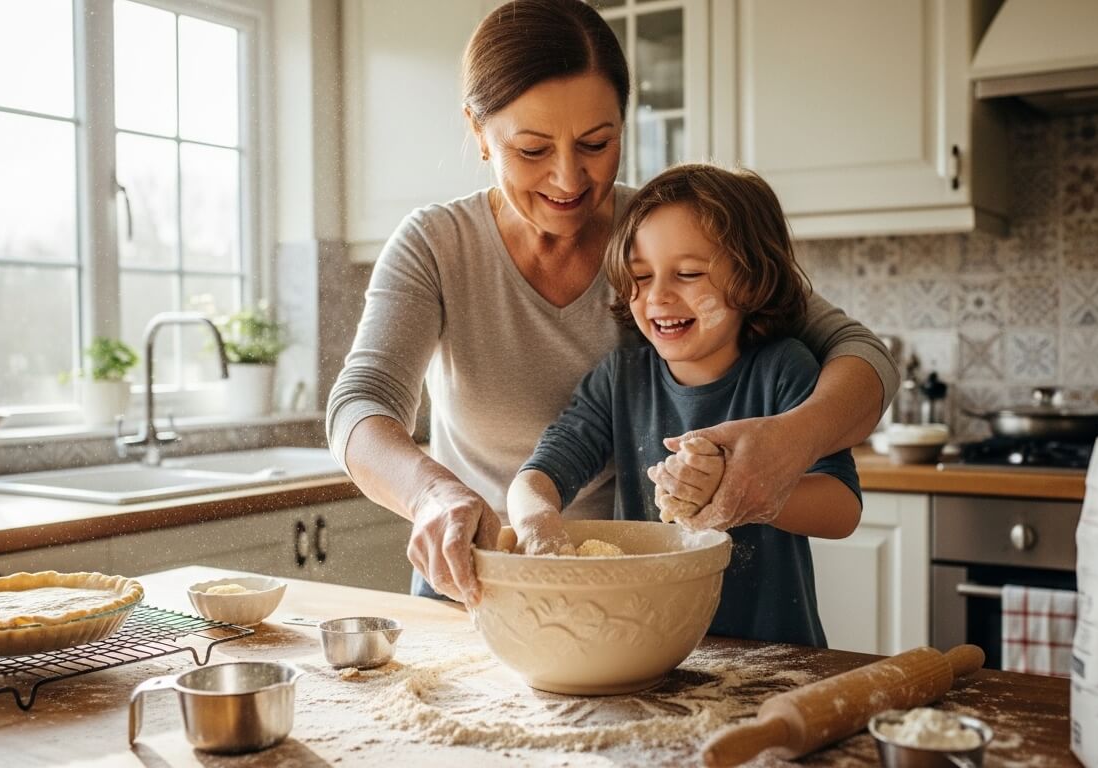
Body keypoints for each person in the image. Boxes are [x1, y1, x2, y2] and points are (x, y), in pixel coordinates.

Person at [326, 0, 896, 607]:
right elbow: (359, 404)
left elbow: (863, 356)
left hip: (636, 592)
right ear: (479, 133)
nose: (569, 180)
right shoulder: (436, 244)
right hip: (481, 587)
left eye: (597, 143)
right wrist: (432, 494)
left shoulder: (662, 232)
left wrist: (790, 444)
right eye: (533, 150)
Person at [506, 163, 861, 647]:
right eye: (640, 276)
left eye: (689, 274)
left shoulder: (783, 370)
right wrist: (537, 523)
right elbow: (540, 474)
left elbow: (842, 510)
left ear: (752, 277)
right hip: (649, 650)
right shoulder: (621, 379)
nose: (658, 297)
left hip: (774, 656)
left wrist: (749, 493)